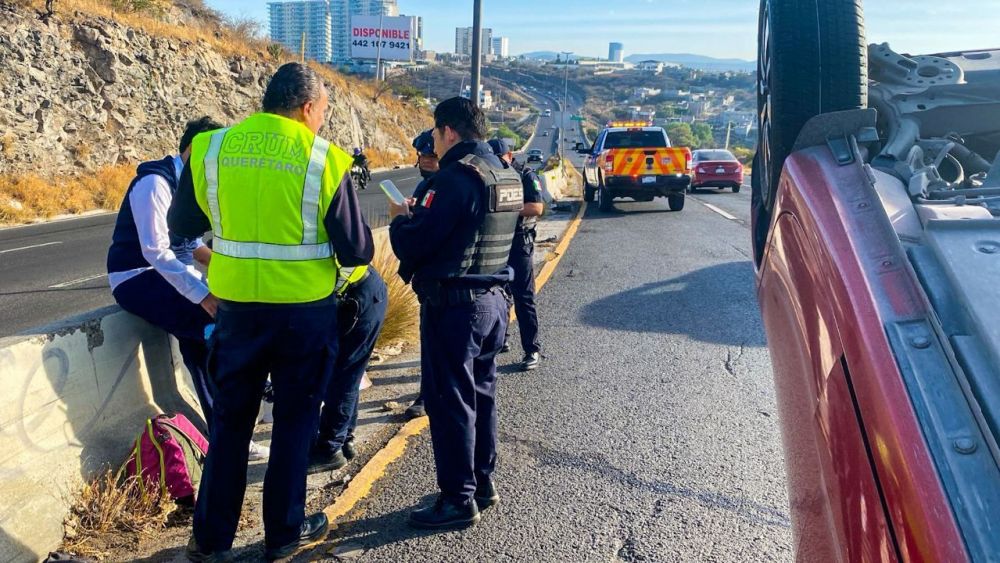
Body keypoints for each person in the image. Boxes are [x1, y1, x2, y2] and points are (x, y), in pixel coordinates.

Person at [168, 62, 374, 562]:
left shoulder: (214, 149)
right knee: (294, 423)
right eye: (322, 110)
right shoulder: (322, 158)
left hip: (237, 314)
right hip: (303, 317)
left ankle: (211, 539)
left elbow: (181, 226)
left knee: (231, 424)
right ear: (307, 107)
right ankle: (283, 534)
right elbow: (357, 251)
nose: (322, 119)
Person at [388, 97, 523, 529]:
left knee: (450, 403)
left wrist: (398, 220)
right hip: (495, 303)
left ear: (448, 131)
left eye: (435, 134)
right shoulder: (504, 173)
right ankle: (482, 482)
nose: (434, 143)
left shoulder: (451, 180)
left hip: (455, 309)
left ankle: (457, 500)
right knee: (482, 395)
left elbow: (413, 244)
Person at [105, 116, 271, 461]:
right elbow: (156, 251)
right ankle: (237, 426)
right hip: (135, 276)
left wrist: (235, 270)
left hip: (163, 272)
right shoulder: (155, 183)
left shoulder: (193, 186)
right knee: (215, 329)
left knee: (198, 347)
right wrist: (203, 294)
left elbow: (191, 244)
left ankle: (224, 437)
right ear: (195, 149)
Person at [309, 264, 388, 471]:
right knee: (348, 375)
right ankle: (344, 438)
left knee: (342, 378)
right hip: (362, 292)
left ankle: (330, 449)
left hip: (355, 300)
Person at [488, 139, 544, 371]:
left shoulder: (526, 175)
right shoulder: (489, 175)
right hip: (494, 242)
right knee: (497, 295)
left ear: (509, 155)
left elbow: (537, 208)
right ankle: (501, 340)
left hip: (519, 242)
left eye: (500, 157)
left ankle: (532, 349)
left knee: (524, 297)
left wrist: (504, 207)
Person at [401, 129, 440, 421]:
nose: (425, 161)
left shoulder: (450, 185)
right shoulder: (424, 188)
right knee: (429, 340)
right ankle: (428, 393)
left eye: (430, 155)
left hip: (448, 281)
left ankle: (431, 395)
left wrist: (399, 223)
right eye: (421, 156)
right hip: (428, 281)